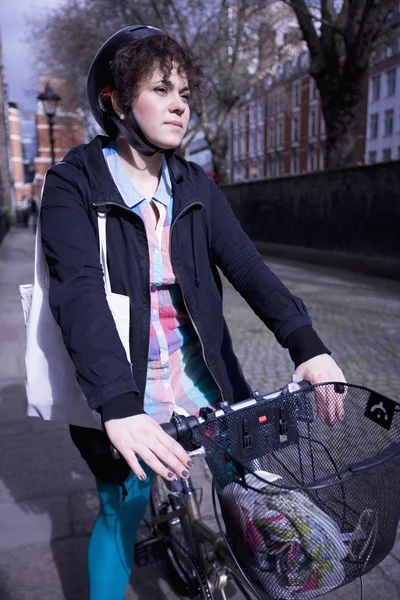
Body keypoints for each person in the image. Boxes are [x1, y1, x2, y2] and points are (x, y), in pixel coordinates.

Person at [40, 25, 346, 600]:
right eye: (161, 88)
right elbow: (77, 292)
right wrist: (118, 405)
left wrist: (307, 343)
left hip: (199, 374)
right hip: (121, 385)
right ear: (114, 98)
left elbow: (248, 266)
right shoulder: (72, 183)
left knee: (251, 485)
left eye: (185, 90)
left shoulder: (193, 182)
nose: (181, 103)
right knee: (120, 511)